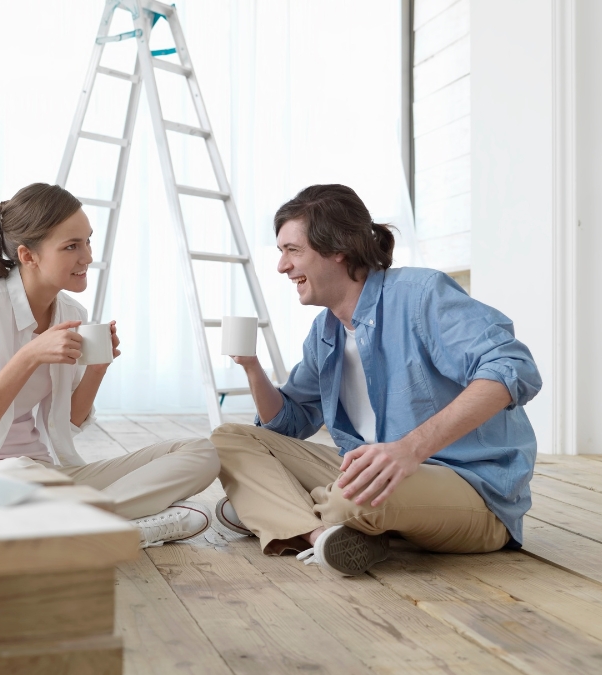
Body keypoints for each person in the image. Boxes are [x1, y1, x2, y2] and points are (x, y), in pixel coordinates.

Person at [211, 184, 541, 575]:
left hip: (472, 491)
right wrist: (251, 367)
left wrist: (409, 449)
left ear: (338, 249)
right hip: (374, 476)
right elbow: (289, 423)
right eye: (281, 252)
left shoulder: (420, 295)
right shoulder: (325, 331)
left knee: (351, 499)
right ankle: (320, 535)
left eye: (292, 250)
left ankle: (277, 509)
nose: (282, 266)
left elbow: (512, 367)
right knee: (230, 439)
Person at [0, 183, 218, 547]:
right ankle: (118, 523)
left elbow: (68, 422)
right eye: (71, 246)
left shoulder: (72, 313)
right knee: (17, 471)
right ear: (28, 256)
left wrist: (97, 368)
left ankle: (91, 522)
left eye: (88, 241)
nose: (87, 256)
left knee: (202, 453)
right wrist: (30, 355)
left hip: (52, 474)